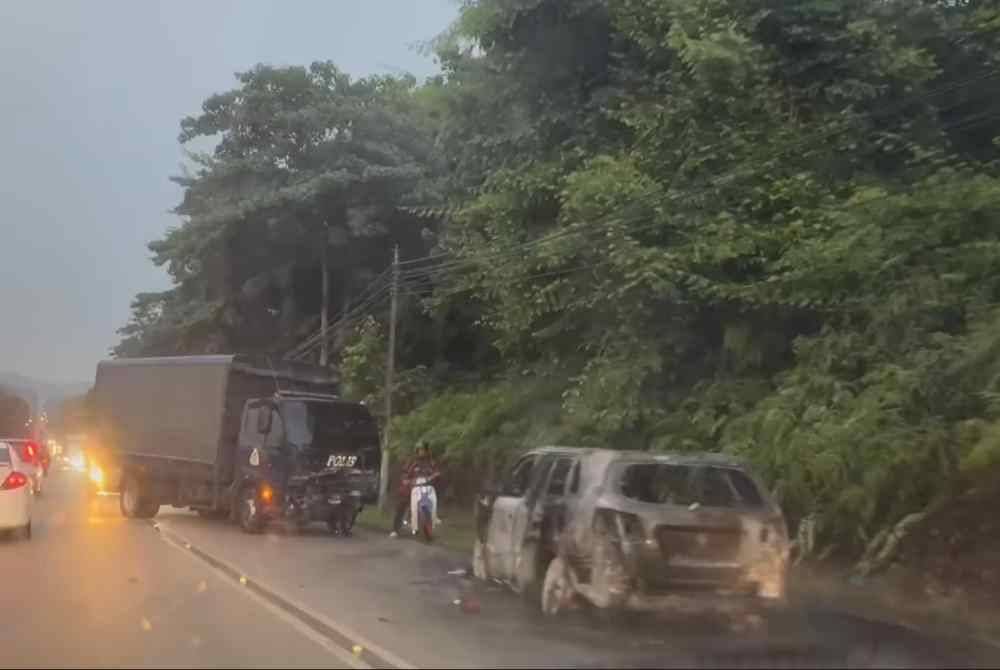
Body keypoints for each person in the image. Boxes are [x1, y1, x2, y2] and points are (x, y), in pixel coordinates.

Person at [390, 441, 440, 537]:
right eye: (419, 450)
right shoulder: (412, 462)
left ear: (427, 451)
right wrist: (406, 480)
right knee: (402, 504)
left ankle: (431, 521)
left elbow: (437, 472)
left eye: (423, 450)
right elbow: (405, 472)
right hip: (412, 488)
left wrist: (435, 476)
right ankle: (395, 529)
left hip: (426, 487)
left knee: (433, 498)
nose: (421, 452)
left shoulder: (431, 462)